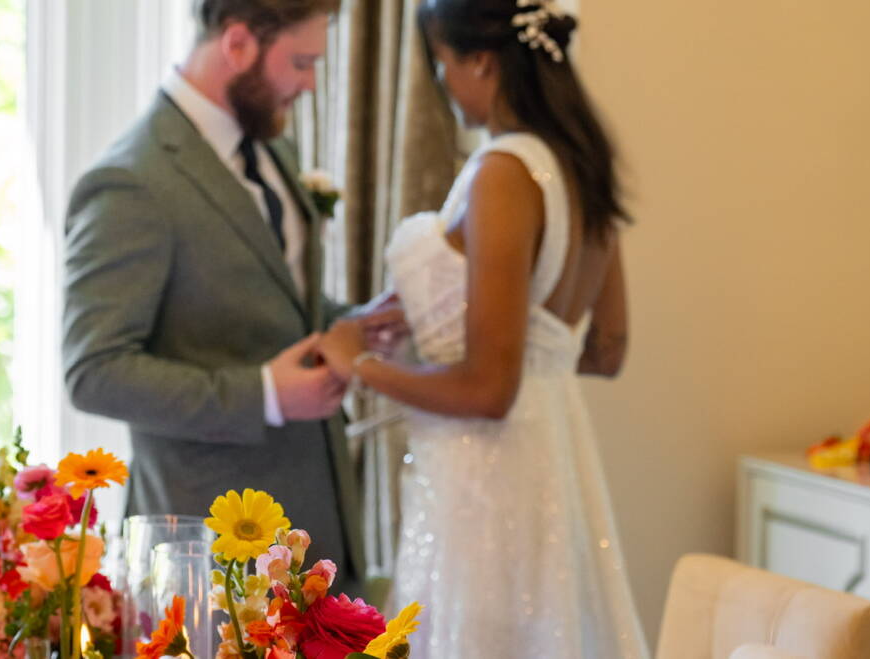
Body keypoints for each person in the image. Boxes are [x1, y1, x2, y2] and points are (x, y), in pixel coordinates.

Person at [316, 0, 649, 655]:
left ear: (482, 61)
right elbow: (607, 348)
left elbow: (488, 390)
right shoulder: (582, 165)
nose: (443, 85)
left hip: (485, 485)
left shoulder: (503, 173)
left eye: (442, 65)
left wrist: (360, 363)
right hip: (555, 456)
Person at [62, 0, 374, 589]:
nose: (310, 85)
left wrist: (362, 322)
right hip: (207, 556)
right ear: (237, 45)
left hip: (315, 525)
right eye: (302, 63)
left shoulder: (271, 149)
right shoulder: (132, 182)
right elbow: (94, 371)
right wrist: (263, 395)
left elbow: (273, 303)